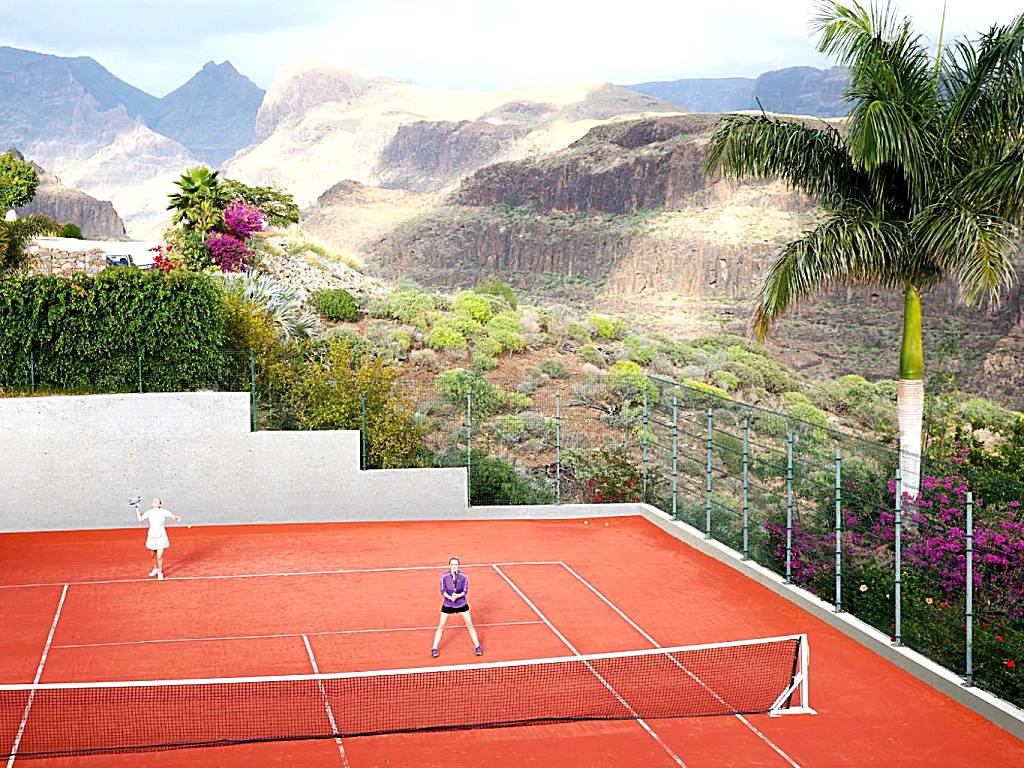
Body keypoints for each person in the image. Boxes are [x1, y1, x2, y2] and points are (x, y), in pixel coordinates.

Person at [431, 556, 482, 657]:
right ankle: (434, 648)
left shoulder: (464, 577)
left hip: (461, 604)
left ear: (458, 565)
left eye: (456, 564)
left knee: (470, 625)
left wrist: (458, 596)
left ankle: (477, 647)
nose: (454, 566)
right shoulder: (444, 577)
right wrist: (450, 597)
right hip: (448, 604)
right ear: (449, 565)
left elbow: (465, 590)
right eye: (452, 564)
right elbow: (442, 590)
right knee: (441, 626)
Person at [135, 498, 180, 580]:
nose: (155, 502)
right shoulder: (148, 512)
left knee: (159, 556)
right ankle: (155, 568)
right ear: (152, 504)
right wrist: (136, 508)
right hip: (152, 536)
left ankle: (160, 572)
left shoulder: (164, 511)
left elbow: (172, 516)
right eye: (154, 501)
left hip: (161, 536)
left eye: (157, 501)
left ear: (160, 504)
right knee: (152, 555)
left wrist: (177, 518)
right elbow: (140, 519)